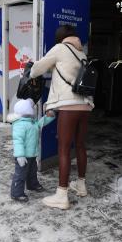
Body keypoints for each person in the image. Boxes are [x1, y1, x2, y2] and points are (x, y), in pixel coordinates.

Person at [30, 25, 94, 210]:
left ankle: (61, 194)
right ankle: (81, 185)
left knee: (64, 149)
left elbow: (36, 70)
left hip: (68, 105)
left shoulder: (60, 48)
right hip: (85, 105)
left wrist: (34, 68)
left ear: (60, 38)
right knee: (80, 145)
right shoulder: (82, 52)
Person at [8, 99, 55, 202]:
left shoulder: (31, 122)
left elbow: (40, 124)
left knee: (32, 172)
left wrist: (48, 117)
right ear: (27, 110)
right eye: (31, 108)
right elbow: (18, 141)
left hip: (32, 155)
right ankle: (16, 193)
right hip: (23, 156)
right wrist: (20, 155)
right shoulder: (19, 124)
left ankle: (32, 185)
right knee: (20, 174)